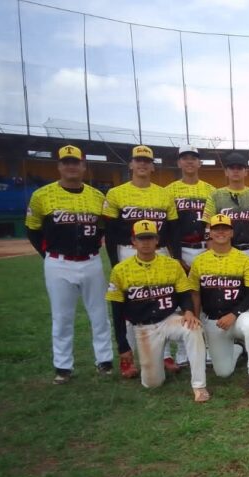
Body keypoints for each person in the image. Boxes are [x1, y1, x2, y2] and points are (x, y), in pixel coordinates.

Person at [25, 144, 114, 384]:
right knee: (62, 317)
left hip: (91, 260)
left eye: (75, 162)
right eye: (66, 162)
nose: (71, 166)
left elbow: (104, 228)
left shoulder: (97, 196)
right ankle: (63, 366)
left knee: (99, 314)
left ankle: (104, 361)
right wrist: (48, 256)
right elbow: (32, 230)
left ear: (83, 166)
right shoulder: (42, 195)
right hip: (58, 262)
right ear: (59, 166)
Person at [106, 220, 208, 402]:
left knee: (194, 328)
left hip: (169, 319)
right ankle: (157, 363)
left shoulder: (171, 264)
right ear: (133, 241)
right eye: (141, 238)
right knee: (153, 383)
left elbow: (184, 293)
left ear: (157, 240)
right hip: (144, 327)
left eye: (150, 238)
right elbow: (117, 310)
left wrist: (189, 311)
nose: (146, 242)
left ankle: (199, 386)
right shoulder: (120, 270)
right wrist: (123, 345)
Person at [103, 144, 182, 377]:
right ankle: (127, 357)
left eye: (147, 161)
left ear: (152, 166)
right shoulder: (116, 193)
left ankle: (164, 354)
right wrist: (114, 262)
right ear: (131, 164)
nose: (142, 164)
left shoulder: (164, 193)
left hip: (160, 252)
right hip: (127, 251)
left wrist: (174, 257)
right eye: (138, 160)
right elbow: (109, 231)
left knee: (163, 303)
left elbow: (173, 230)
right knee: (129, 306)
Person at [189, 214, 249, 394]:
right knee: (223, 373)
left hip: (238, 316)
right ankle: (237, 349)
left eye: (225, 228)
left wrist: (234, 314)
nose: (220, 232)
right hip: (214, 319)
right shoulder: (199, 261)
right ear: (210, 233)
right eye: (216, 229)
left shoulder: (244, 259)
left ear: (231, 232)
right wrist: (196, 317)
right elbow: (195, 293)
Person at [202, 152, 249, 334]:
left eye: (240, 168)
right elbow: (208, 226)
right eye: (232, 168)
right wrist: (210, 253)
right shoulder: (216, 195)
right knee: (225, 293)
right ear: (226, 172)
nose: (236, 171)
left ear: (246, 172)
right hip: (224, 252)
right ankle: (229, 337)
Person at [165, 145, 216, 268]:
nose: (189, 161)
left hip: (206, 247)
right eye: (185, 158)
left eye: (193, 158)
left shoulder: (212, 190)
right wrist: (175, 255)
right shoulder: (168, 191)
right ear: (179, 163)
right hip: (180, 248)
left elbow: (213, 223)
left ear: (199, 163)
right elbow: (167, 226)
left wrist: (211, 250)